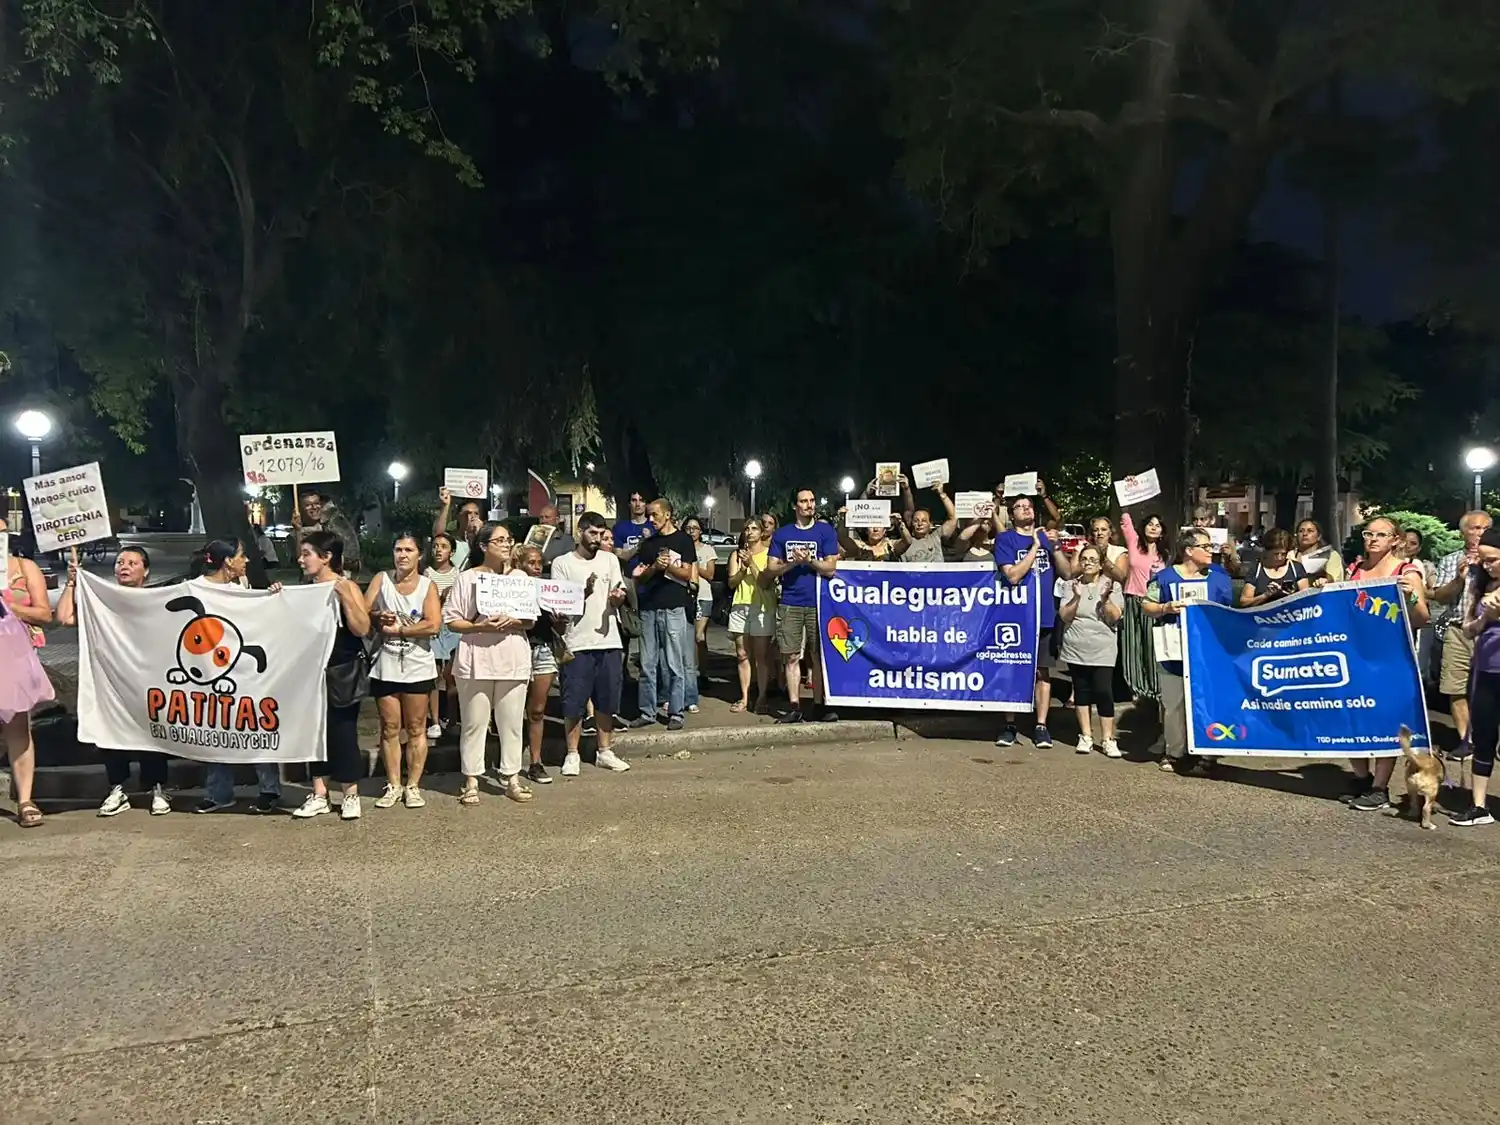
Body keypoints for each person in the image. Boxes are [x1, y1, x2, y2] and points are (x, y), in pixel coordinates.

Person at [56, 547, 172, 816]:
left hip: (148, 681)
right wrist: (72, 582)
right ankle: (117, 788)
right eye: (120, 562)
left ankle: (157, 787)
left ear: (146, 570)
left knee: (151, 732)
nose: (125, 567)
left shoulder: (157, 600)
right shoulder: (102, 601)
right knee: (110, 732)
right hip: (110, 682)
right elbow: (63, 617)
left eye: (133, 562)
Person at [189, 539, 287, 814]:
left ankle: (269, 789)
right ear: (228, 561)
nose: (247, 561)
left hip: (244, 672)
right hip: (210, 673)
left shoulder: (242, 590)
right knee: (215, 730)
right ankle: (218, 793)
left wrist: (274, 597)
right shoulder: (194, 589)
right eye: (242, 556)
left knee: (255, 726)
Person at [442, 521, 534, 804]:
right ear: (483, 546)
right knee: (474, 722)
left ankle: (512, 778)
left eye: (509, 539)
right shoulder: (467, 578)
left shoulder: (520, 576)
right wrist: (480, 627)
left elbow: (530, 620)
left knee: (512, 723)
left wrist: (513, 620)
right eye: (500, 540)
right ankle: (471, 779)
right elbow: (452, 620)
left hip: (512, 658)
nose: (507, 544)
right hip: (476, 659)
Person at [1344, 516, 1430, 810]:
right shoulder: (1355, 569)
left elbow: (1422, 618)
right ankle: (1360, 778)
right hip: (1354, 654)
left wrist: (1409, 599)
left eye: (1382, 535)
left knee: (1386, 720)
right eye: (1369, 533)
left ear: (1395, 540)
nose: (1373, 539)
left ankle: (1380, 788)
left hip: (1391, 658)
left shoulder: (1406, 571)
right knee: (1352, 715)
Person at [286, 531, 372, 819]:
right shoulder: (305, 588)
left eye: (307, 553)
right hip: (311, 673)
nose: (301, 560)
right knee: (314, 733)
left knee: (343, 732)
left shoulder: (346, 586)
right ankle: (319, 792)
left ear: (327, 557)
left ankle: (350, 794)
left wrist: (346, 597)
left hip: (342, 671)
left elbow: (361, 628)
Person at [1142, 529, 1235, 772]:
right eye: (1205, 546)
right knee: (1174, 704)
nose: (1210, 551)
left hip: (1208, 651)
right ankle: (1174, 751)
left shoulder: (1219, 577)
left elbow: (1228, 612)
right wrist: (1165, 607)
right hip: (1174, 648)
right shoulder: (1164, 578)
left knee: (1209, 702)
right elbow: (1146, 605)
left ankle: (1209, 753)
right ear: (1188, 551)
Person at [364, 533, 442, 809]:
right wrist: (375, 616)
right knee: (390, 728)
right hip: (385, 665)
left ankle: (414, 785)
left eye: (409, 549)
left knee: (416, 727)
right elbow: (362, 613)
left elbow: (433, 625)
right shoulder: (381, 580)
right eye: (398, 549)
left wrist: (400, 629)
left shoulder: (427, 586)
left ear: (420, 555)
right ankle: (393, 784)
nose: (402, 555)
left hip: (418, 665)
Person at [551, 512, 632, 775]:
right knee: (574, 701)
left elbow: (619, 594)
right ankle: (572, 753)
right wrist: (582, 593)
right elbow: (558, 605)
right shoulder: (562, 564)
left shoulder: (610, 560)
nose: (598, 539)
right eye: (592, 533)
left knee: (607, 700)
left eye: (601, 533)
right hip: (577, 641)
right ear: (580, 532)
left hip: (608, 639)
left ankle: (605, 751)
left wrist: (618, 597)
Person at [992, 494, 1074, 748]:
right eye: (1020, 506)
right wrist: (1036, 548)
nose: (1026, 510)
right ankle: (1009, 725)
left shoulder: (1047, 538)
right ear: (1011, 513)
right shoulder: (1005, 539)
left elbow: (1068, 572)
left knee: (1043, 672)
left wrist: (1056, 547)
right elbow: (1013, 576)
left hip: (1044, 614)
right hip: (1015, 616)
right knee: (1012, 670)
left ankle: (1041, 726)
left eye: (1029, 506)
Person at [764, 488, 840, 724]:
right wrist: (791, 564)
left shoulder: (825, 531)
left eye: (812, 501)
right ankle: (794, 705)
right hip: (790, 602)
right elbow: (770, 568)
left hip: (818, 602)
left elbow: (831, 568)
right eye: (803, 501)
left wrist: (809, 561)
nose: (809, 505)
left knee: (817, 656)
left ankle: (819, 704)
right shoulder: (783, 534)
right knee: (791, 656)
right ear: (795, 506)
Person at [0, 518, 54, 827]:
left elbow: (44, 613)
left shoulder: (24, 567)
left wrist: (9, 608)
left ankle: (25, 801)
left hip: (16, 658)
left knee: (18, 729)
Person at [627, 499, 697, 730]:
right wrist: (655, 567)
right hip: (649, 608)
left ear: (667, 515)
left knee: (674, 663)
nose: (651, 519)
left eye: (655, 515)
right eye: (648, 515)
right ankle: (647, 711)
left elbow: (687, 574)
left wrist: (668, 567)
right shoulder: (648, 544)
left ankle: (676, 712)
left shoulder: (684, 540)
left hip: (674, 607)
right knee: (647, 664)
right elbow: (640, 577)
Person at [1431, 511, 1493, 756]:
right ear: (1463, 532)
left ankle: (1491, 739)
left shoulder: (1496, 559)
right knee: (1454, 688)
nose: (1479, 533)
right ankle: (1467, 741)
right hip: (1457, 630)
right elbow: (1440, 596)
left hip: (1491, 630)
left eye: (1484, 528)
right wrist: (1459, 579)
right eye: (1474, 528)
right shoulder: (1451, 560)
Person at [1452, 526, 1500, 826]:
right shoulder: (1480, 585)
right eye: (1483, 560)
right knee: (1483, 736)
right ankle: (1479, 806)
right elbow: (1468, 629)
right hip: (1486, 671)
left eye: (1493, 559)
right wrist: (1486, 618)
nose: (1487, 565)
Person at [1057, 545, 1125, 758]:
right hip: (1076, 646)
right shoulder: (1071, 585)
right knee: (1082, 690)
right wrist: (1077, 598)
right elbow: (1065, 616)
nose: (1088, 563)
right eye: (1084, 559)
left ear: (1101, 563)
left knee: (1104, 691)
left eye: (1093, 559)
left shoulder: (1112, 586)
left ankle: (1108, 739)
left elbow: (1115, 617)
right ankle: (1086, 735)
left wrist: (1105, 600)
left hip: (1103, 647)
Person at [515, 545, 560, 784]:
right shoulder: (511, 587)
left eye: (539, 563)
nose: (535, 568)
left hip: (543, 649)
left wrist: (559, 619)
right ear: (519, 565)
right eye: (531, 563)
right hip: (517, 648)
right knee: (511, 710)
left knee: (537, 710)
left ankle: (535, 762)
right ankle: (509, 763)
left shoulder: (549, 590)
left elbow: (559, 627)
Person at [1119, 510, 1169, 706]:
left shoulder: (1166, 554)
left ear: (1162, 532)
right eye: (1150, 524)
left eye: (1158, 525)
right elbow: (1125, 521)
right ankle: (1136, 687)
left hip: (1154, 602)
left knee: (1151, 645)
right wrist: (1129, 492)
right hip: (1132, 598)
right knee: (1132, 644)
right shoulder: (1134, 544)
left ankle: (1155, 689)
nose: (1154, 527)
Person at [727, 520, 776, 713]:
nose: (749, 532)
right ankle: (745, 697)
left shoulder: (770, 554)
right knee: (742, 654)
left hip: (762, 606)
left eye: (754, 528)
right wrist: (742, 568)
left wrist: (751, 563)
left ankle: (762, 696)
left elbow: (765, 582)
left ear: (762, 532)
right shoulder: (736, 554)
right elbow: (731, 583)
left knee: (761, 656)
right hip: (740, 606)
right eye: (746, 528)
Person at [424, 532, 461, 739]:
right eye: (436, 546)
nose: (439, 550)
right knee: (435, 676)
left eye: (444, 546)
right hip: (435, 627)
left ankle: (454, 719)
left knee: (452, 676)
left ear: (452, 551)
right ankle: (435, 721)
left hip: (453, 628)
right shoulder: (427, 574)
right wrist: (439, 597)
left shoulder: (459, 574)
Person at [683, 516, 717, 709]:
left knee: (699, 636)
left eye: (695, 528)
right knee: (688, 638)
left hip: (703, 596)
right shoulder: (680, 548)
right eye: (688, 528)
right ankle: (690, 674)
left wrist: (694, 564)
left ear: (701, 531)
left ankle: (702, 673)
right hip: (687, 596)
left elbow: (711, 574)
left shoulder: (707, 549)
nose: (691, 531)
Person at [1238, 528, 1310, 607]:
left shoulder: (1296, 568)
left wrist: (1289, 596)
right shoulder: (1256, 569)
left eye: (1283, 554)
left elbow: (1306, 598)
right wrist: (1265, 595)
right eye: (1275, 554)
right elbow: (1244, 602)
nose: (1279, 558)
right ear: (1266, 551)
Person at [299, 491, 361, 577]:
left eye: (317, 503)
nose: (314, 507)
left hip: (340, 570)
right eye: (308, 505)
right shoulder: (300, 530)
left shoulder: (332, 520)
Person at [898, 480, 958, 563]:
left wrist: (942, 495)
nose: (920, 524)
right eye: (916, 521)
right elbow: (908, 510)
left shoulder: (936, 537)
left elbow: (953, 518)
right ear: (911, 523)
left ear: (930, 524)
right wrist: (906, 489)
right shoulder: (904, 543)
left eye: (924, 521)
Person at [431, 487, 486, 569]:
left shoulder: (485, 541)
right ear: (458, 516)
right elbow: (438, 534)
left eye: (476, 513)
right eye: (467, 513)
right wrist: (446, 505)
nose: (472, 517)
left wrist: (481, 534)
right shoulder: (453, 540)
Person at [1289, 518, 1345, 586]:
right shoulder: (1290, 555)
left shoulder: (1330, 555)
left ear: (1319, 536)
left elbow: (1332, 578)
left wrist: (1324, 581)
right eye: (1301, 531)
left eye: (1310, 531)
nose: (1305, 534)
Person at [527, 503, 577, 573]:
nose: (543, 521)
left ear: (557, 520)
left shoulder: (567, 540)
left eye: (547, 517)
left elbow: (568, 564)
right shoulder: (533, 537)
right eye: (541, 517)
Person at [612, 491, 653, 561]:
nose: (637, 504)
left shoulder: (654, 525)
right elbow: (618, 556)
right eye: (634, 500)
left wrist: (651, 540)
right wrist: (639, 546)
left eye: (641, 500)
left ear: (646, 504)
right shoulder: (619, 528)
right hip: (628, 571)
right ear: (629, 504)